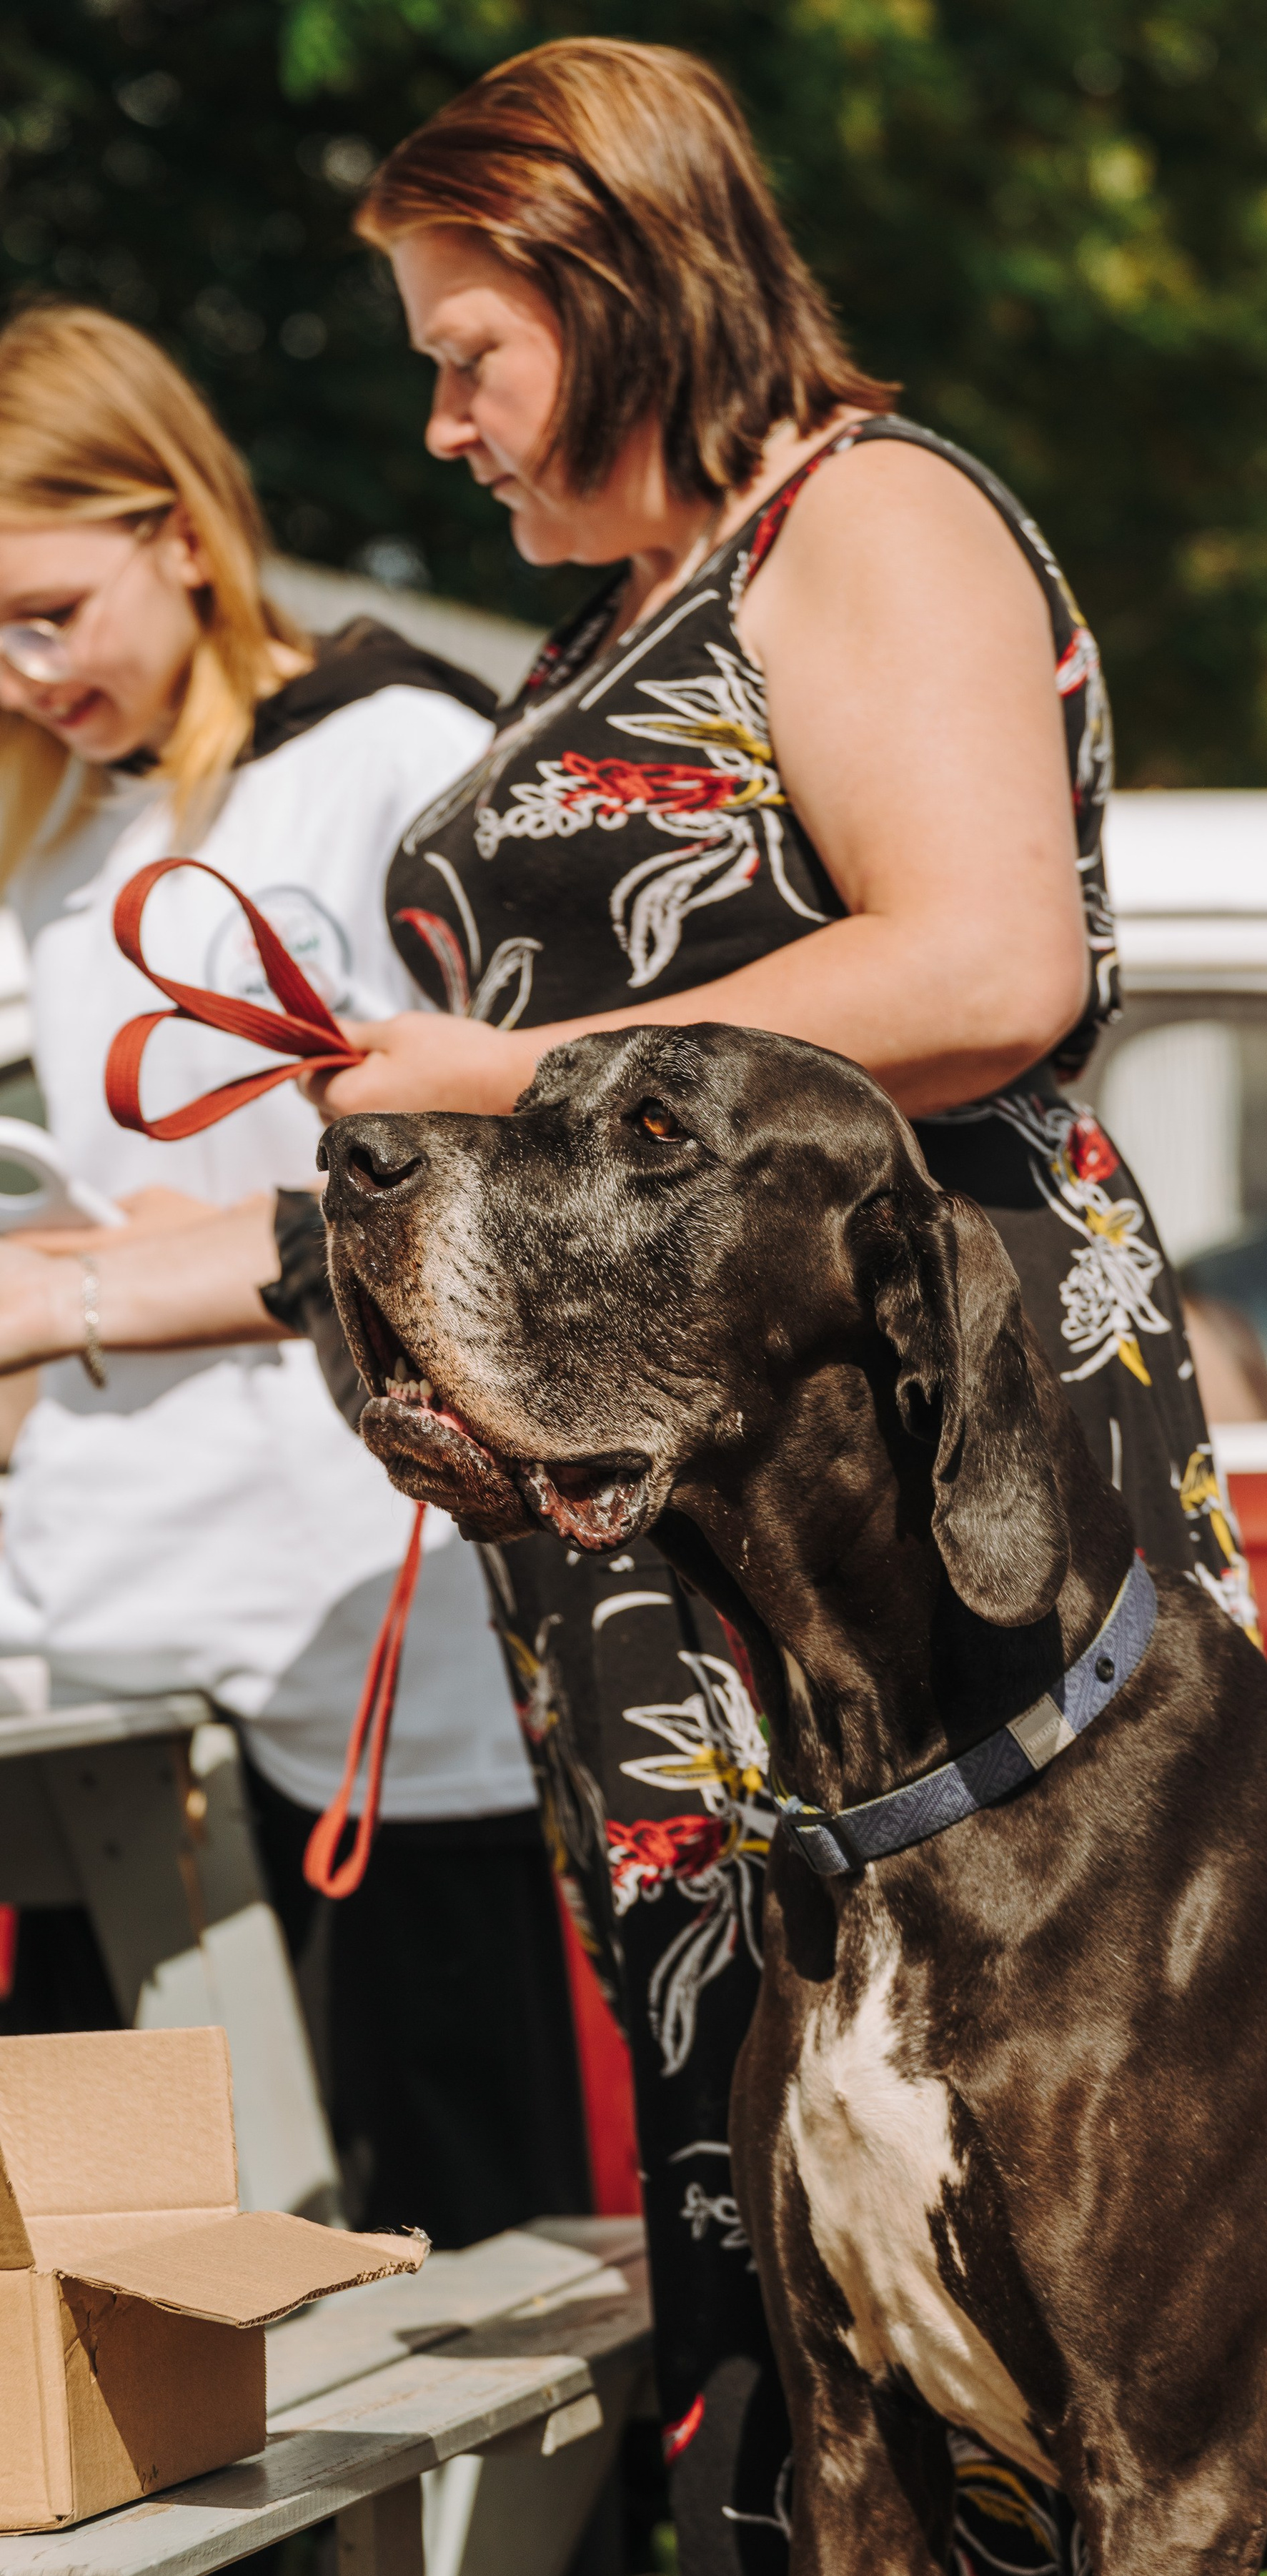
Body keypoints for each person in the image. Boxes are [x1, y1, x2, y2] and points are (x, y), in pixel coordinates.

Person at [2, 51, 1267, 2576]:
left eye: (467, 350)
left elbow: (989, 955)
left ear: (618, 286)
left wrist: (504, 1074)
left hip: (943, 1485)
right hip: (723, 1551)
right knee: (848, 2278)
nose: (437, 419)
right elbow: (538, 1162)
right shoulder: (634, 607)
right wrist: (100, 1283)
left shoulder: (866, 517)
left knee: (1044, 2253)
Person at [0, 305, 591, 2254]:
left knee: (453, 2244)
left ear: (178, 529)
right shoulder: (50, 823)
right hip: (102, 1623)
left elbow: (512, 1173)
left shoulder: (398, 753)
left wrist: (102, 1293)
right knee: (124, 2251)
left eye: (47, 611)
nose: (26, 673)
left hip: (373, 1625)